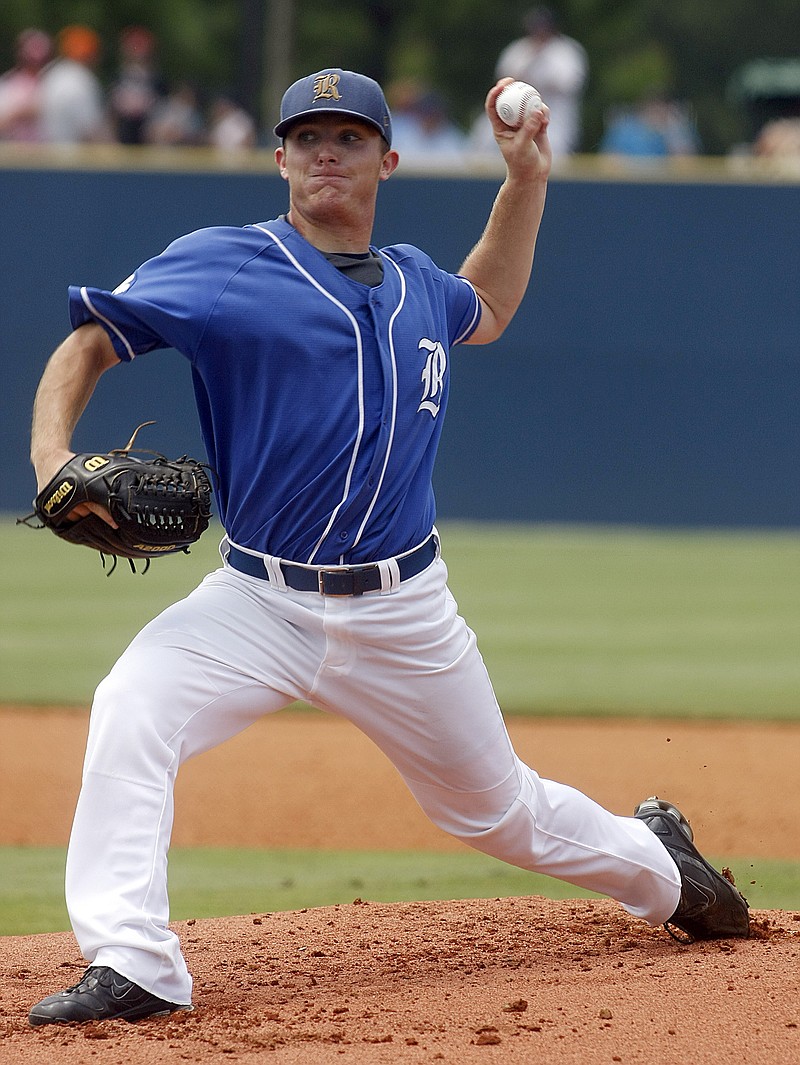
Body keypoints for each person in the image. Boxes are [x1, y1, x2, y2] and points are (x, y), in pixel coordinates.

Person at [26, 67, 748, 1027]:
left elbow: (485, 306)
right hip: (258, 602)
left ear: (386, 159)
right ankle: (137, 963)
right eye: (308, 136)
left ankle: (664, 866)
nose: (327, 151)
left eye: (349, 137)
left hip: (405, 608)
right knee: (131, 707)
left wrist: (525, 179)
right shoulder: (226, 262)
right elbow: (90, 340)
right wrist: (50, 456)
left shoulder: (414, 283)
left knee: (500, 814)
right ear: (280, 157)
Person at [495, 5, 588, 157]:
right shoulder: (518, 50)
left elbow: (572, 84)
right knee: (486, 135)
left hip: (556, 119)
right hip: (515, 115)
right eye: (536, 26)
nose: (539, 31)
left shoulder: (567, 51)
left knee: (554, 150)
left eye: (543, 26)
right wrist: (532, 59)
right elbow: (502, 80)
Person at [39, 25, 109, 145]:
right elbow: (92, 130)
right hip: (74, 158)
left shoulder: (52, 74)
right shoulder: (83, 80)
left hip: (46, 154)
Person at [0, 28, 53, 142]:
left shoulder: (54, 82)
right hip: (16, 152)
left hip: (48, 150)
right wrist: (18, 113)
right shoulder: (8, 84)